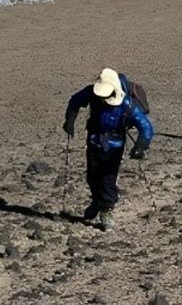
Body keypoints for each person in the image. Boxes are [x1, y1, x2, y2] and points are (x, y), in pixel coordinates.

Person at [63, 68, 153, 230]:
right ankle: (97, 201)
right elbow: (75, 101)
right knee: (92, 177)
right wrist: (70, 119)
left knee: (108, 179)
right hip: (94, 141)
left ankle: (106, 210)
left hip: (115, 146)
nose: (103, 100)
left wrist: (140, 146)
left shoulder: (127, 104)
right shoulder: (92, 93)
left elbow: (145, 127)